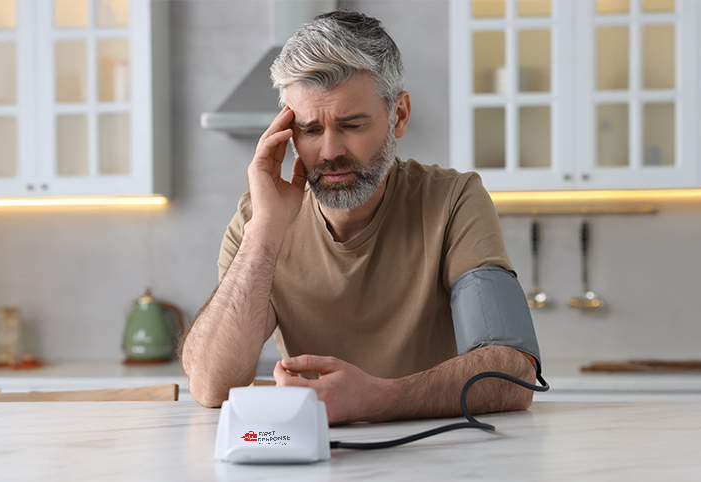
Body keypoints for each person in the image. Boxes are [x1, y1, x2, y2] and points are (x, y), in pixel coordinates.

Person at [180, 10, 543, 425]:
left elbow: (513, 372)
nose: (330, 151)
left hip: (443, 456)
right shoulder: (258, 218)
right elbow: (211, 386)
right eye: (310, 130)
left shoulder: (453, 201)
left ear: (399, 115)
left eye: (351, 124)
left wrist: (378, 398)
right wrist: (263, 233)